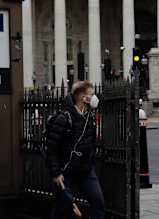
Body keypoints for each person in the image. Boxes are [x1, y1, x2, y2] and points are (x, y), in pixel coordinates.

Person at [46, 81, 104, 219]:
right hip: (66, 172)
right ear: (83, 98)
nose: (95, 97)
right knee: (62, 207)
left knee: (98, 203)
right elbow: (52, 147)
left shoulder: (89, 116)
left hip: (86, 170)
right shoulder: (64, 118)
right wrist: (55, 173)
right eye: (91, 94)